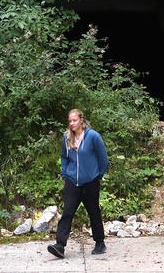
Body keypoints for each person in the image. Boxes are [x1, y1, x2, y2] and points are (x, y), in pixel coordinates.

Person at [47, 108, 108, 258]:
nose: (72, 123)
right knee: (67, 212)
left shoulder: (93, 136)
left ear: (81, 120)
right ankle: (60, 246)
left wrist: (97, 175)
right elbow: (63, 157)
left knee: (93, 212)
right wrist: (65, 172)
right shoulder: (67, 137)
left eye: (74, 120)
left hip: (90, 183)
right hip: (72, 182)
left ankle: (100, 242)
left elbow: (103, 158)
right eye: (70, 121)